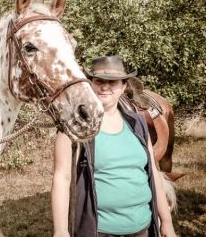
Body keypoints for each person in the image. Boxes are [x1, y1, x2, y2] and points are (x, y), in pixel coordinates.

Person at [51, 55, 176, 237]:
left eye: (113, 82)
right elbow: (61, 177)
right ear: (91, 83)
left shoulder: (138, 124)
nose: (105, 86)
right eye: (99, 80)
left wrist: (166, 221)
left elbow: (153, 173)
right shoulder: (75, 127)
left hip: (143, 227)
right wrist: (60, 230)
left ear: (124, 86)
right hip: (100, 230)